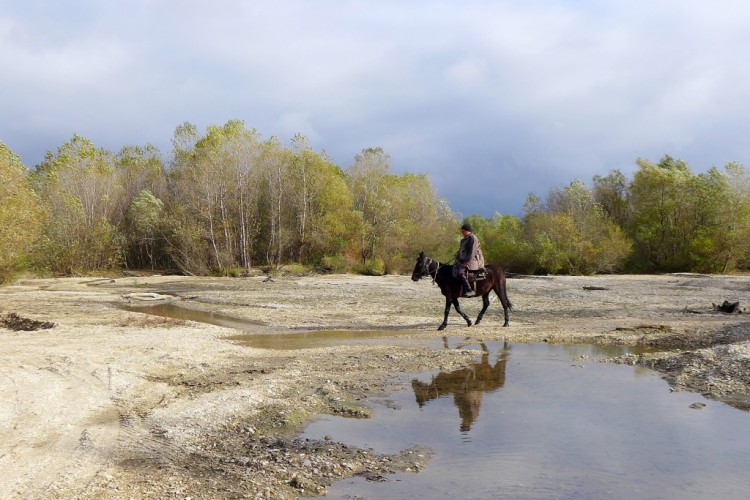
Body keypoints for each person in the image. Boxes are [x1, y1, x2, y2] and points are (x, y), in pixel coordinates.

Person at [455, 223, 484, 297]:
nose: (462, 232)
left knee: (460, 272)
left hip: (472, 261)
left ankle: (469, 290)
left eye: (463, 231)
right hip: (463, 259)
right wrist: (458, 254)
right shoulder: (464, 239)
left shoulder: (473, 239)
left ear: (467, 231)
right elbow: (462, 250)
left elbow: (472, 253)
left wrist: (466, 263)